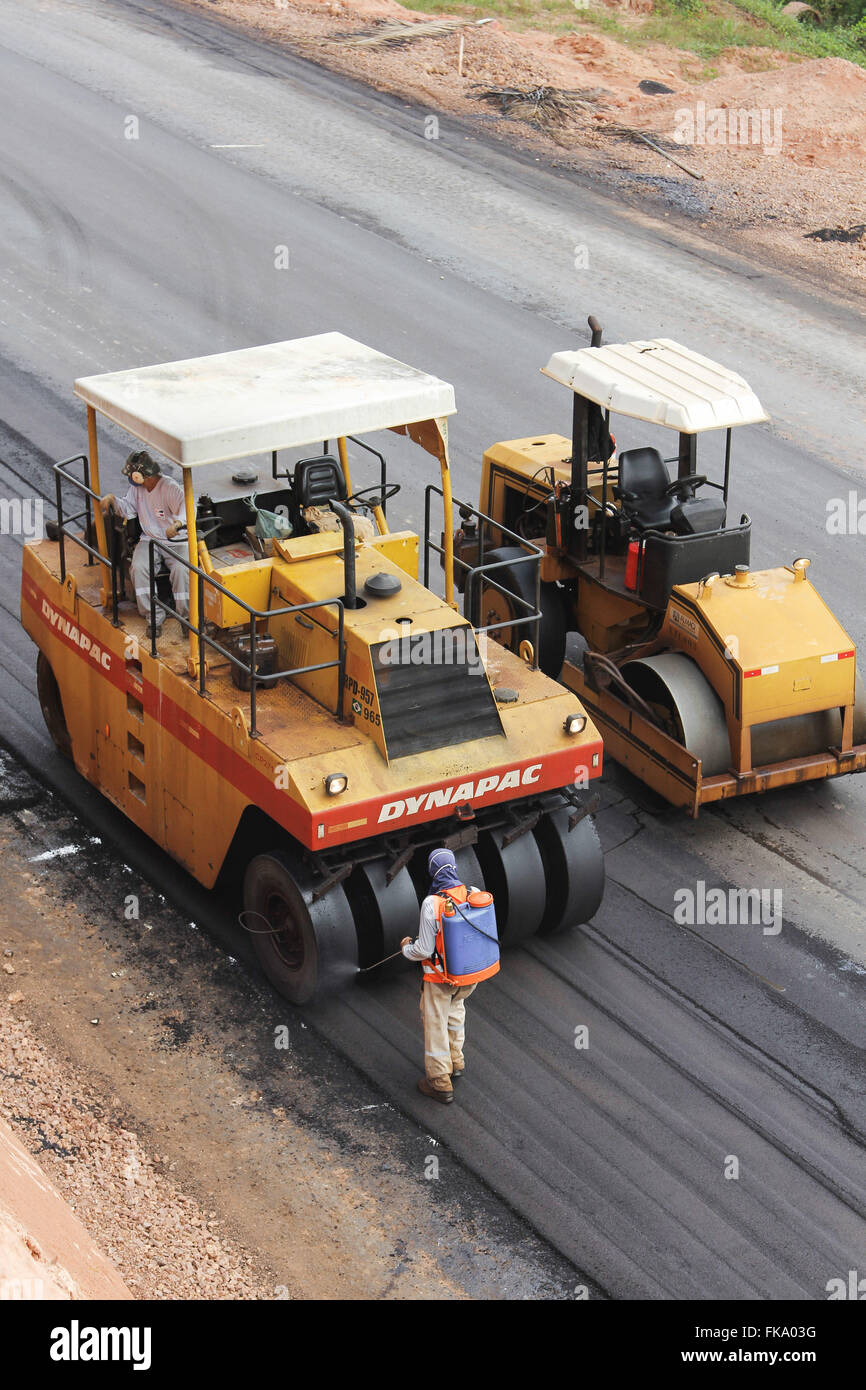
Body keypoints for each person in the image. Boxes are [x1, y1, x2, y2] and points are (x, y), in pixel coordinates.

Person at [401, 848, 481, 1106]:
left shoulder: (431, 903)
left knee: (435, 1024)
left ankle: (439, 1083)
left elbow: (423, 949)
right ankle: (456, 1062)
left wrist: (406, 948)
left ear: (433, 872)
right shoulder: (473, 893)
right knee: (456, 1014)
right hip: (469, 975)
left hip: (439, 979)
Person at [102, 450, 188, 638]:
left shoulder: (170, 488)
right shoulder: (137, 490)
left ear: (141, 475)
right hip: (150, 539)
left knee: (181, 571)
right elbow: (128, 508)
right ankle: (154, 618)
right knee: (138, 568)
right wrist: (113, 501)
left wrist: (178, 524)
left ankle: (187, 620)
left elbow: (187, 509)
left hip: (176, 540)